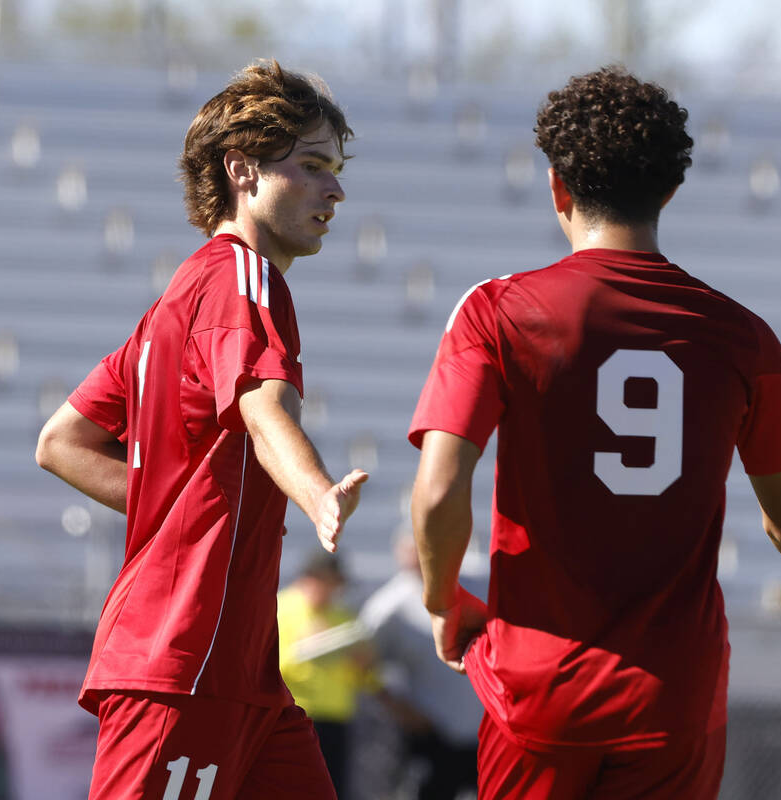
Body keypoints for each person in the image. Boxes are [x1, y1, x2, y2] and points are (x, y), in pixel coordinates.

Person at [406, 66, 781, 800]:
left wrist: (444, 598)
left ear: (557, 188)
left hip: (538, 688)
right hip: (672, 697)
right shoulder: (740, 337)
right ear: (669, 191)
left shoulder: (497, 313)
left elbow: (441, 492)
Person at [35, 60, 368, 800]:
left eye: (337, 170)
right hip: (185, 661)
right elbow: (261, 404)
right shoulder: (243, 280)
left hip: (241, 672)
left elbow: (62, 441)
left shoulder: (175, 303)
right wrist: (316, 494)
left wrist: (184, 508)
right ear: (242, 170)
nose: (336, 190)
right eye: (312, 166)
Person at [359, 530, 481, 800]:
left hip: (484, 731)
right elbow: (361, 667)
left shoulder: (478, 584)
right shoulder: (389, 606)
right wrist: (399, 708)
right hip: (431, 734)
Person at [276, 552, 375, 798]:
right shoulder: (279, 608)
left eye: (337, 585)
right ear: (311, 579)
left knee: (331, 790)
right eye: (330, 584)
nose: (333, 592)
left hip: (335, 720)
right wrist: (306, 649)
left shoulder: (343, 615)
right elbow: (270, 665)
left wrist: (362, 665)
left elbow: (365, 676)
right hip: (291, 715)